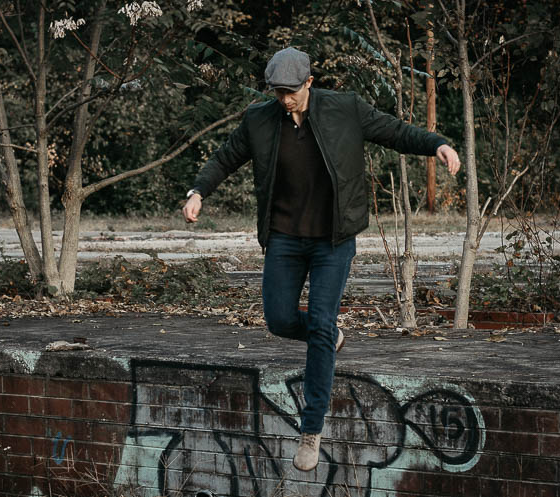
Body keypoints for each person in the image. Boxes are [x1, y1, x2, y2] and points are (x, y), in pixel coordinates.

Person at [181, 47, 460, 472]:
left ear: (309, 82)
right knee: (277, 318)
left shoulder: (344, 108)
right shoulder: (260, 119)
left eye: (291, 91)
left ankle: (311, 430)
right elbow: (225, 156)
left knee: (322, 326)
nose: (285, 99)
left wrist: (437, 144)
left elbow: (395, 131)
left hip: (332, 240)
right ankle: (328, 335)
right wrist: (198, 191)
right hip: (285, 239)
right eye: (278, 92)